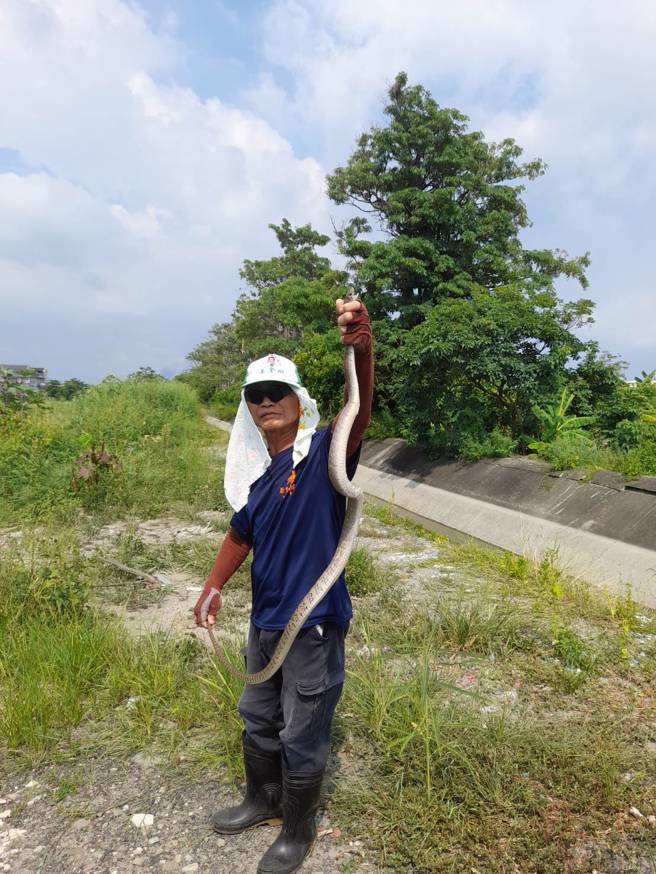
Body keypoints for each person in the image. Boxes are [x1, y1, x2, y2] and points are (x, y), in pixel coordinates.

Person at [193, 295, 373, 874]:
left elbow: (357, 413)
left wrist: (361, 348)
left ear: (299, 401)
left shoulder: (322, 456)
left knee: (303, 730)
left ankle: (297, 831)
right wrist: (213, 585)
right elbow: (239, 535)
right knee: (257, 715)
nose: (266, 401)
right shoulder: (257, 477)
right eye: (256, 395)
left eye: (277, 392)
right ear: (248, 408)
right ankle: (262, 800)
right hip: (265, 622)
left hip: (313, 626)